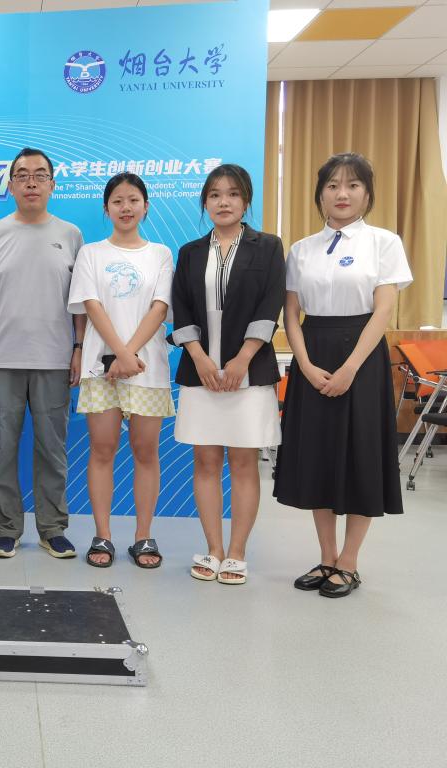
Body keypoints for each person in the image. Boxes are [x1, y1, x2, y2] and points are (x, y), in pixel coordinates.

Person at [274, 152, 411, 598]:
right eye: (332, 185)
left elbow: (383, 311)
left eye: (353, 185)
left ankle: (349, 562)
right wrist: (305, 364)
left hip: (363, 358)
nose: (342, 193)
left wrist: (350, 367)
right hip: (312, 355)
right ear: (320, 194)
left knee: (360, 456)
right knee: (318, 456)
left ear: (367, 193)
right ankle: (326, 556)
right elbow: (292, 314)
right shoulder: (301, 249)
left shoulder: (384, 242)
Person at [170, 164, 285, 585]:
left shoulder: (268, 247)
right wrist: (200, 358)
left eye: (233, 194)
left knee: (243, 462)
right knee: (205, 460)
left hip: (248, 374)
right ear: (205, 202)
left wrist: (242, 359)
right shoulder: (190, 252)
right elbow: (181, 307)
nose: (224, 201)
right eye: (215, 194)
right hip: (200, 372)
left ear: (246, 201)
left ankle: (237, 552)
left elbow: (270, 303)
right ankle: (213, 549)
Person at [0, 148, 85, 559]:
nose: (31, 182)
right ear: (11, 185)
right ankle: (6, 529)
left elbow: (80, 301)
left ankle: (53, 529)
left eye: (39, 175)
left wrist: (78, 349)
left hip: (54, 360)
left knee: (52, 450)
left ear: (52, 183)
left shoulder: (70, 234)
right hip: (1, 359)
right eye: (22, 175)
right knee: (2, 449)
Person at [67, 173, 174, 568]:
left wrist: (128, 356)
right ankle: (103, 535)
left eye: (133, 200)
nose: (126, 208)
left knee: (146, 452)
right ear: (106, 208)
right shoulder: (91, 253)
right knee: (102, 449)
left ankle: (143, 536)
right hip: (101, 367)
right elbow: (91, 305)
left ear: (146, 206)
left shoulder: (160, 254)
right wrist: (119, 355)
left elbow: (160, 308)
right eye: (117, 201)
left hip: (147, 368)